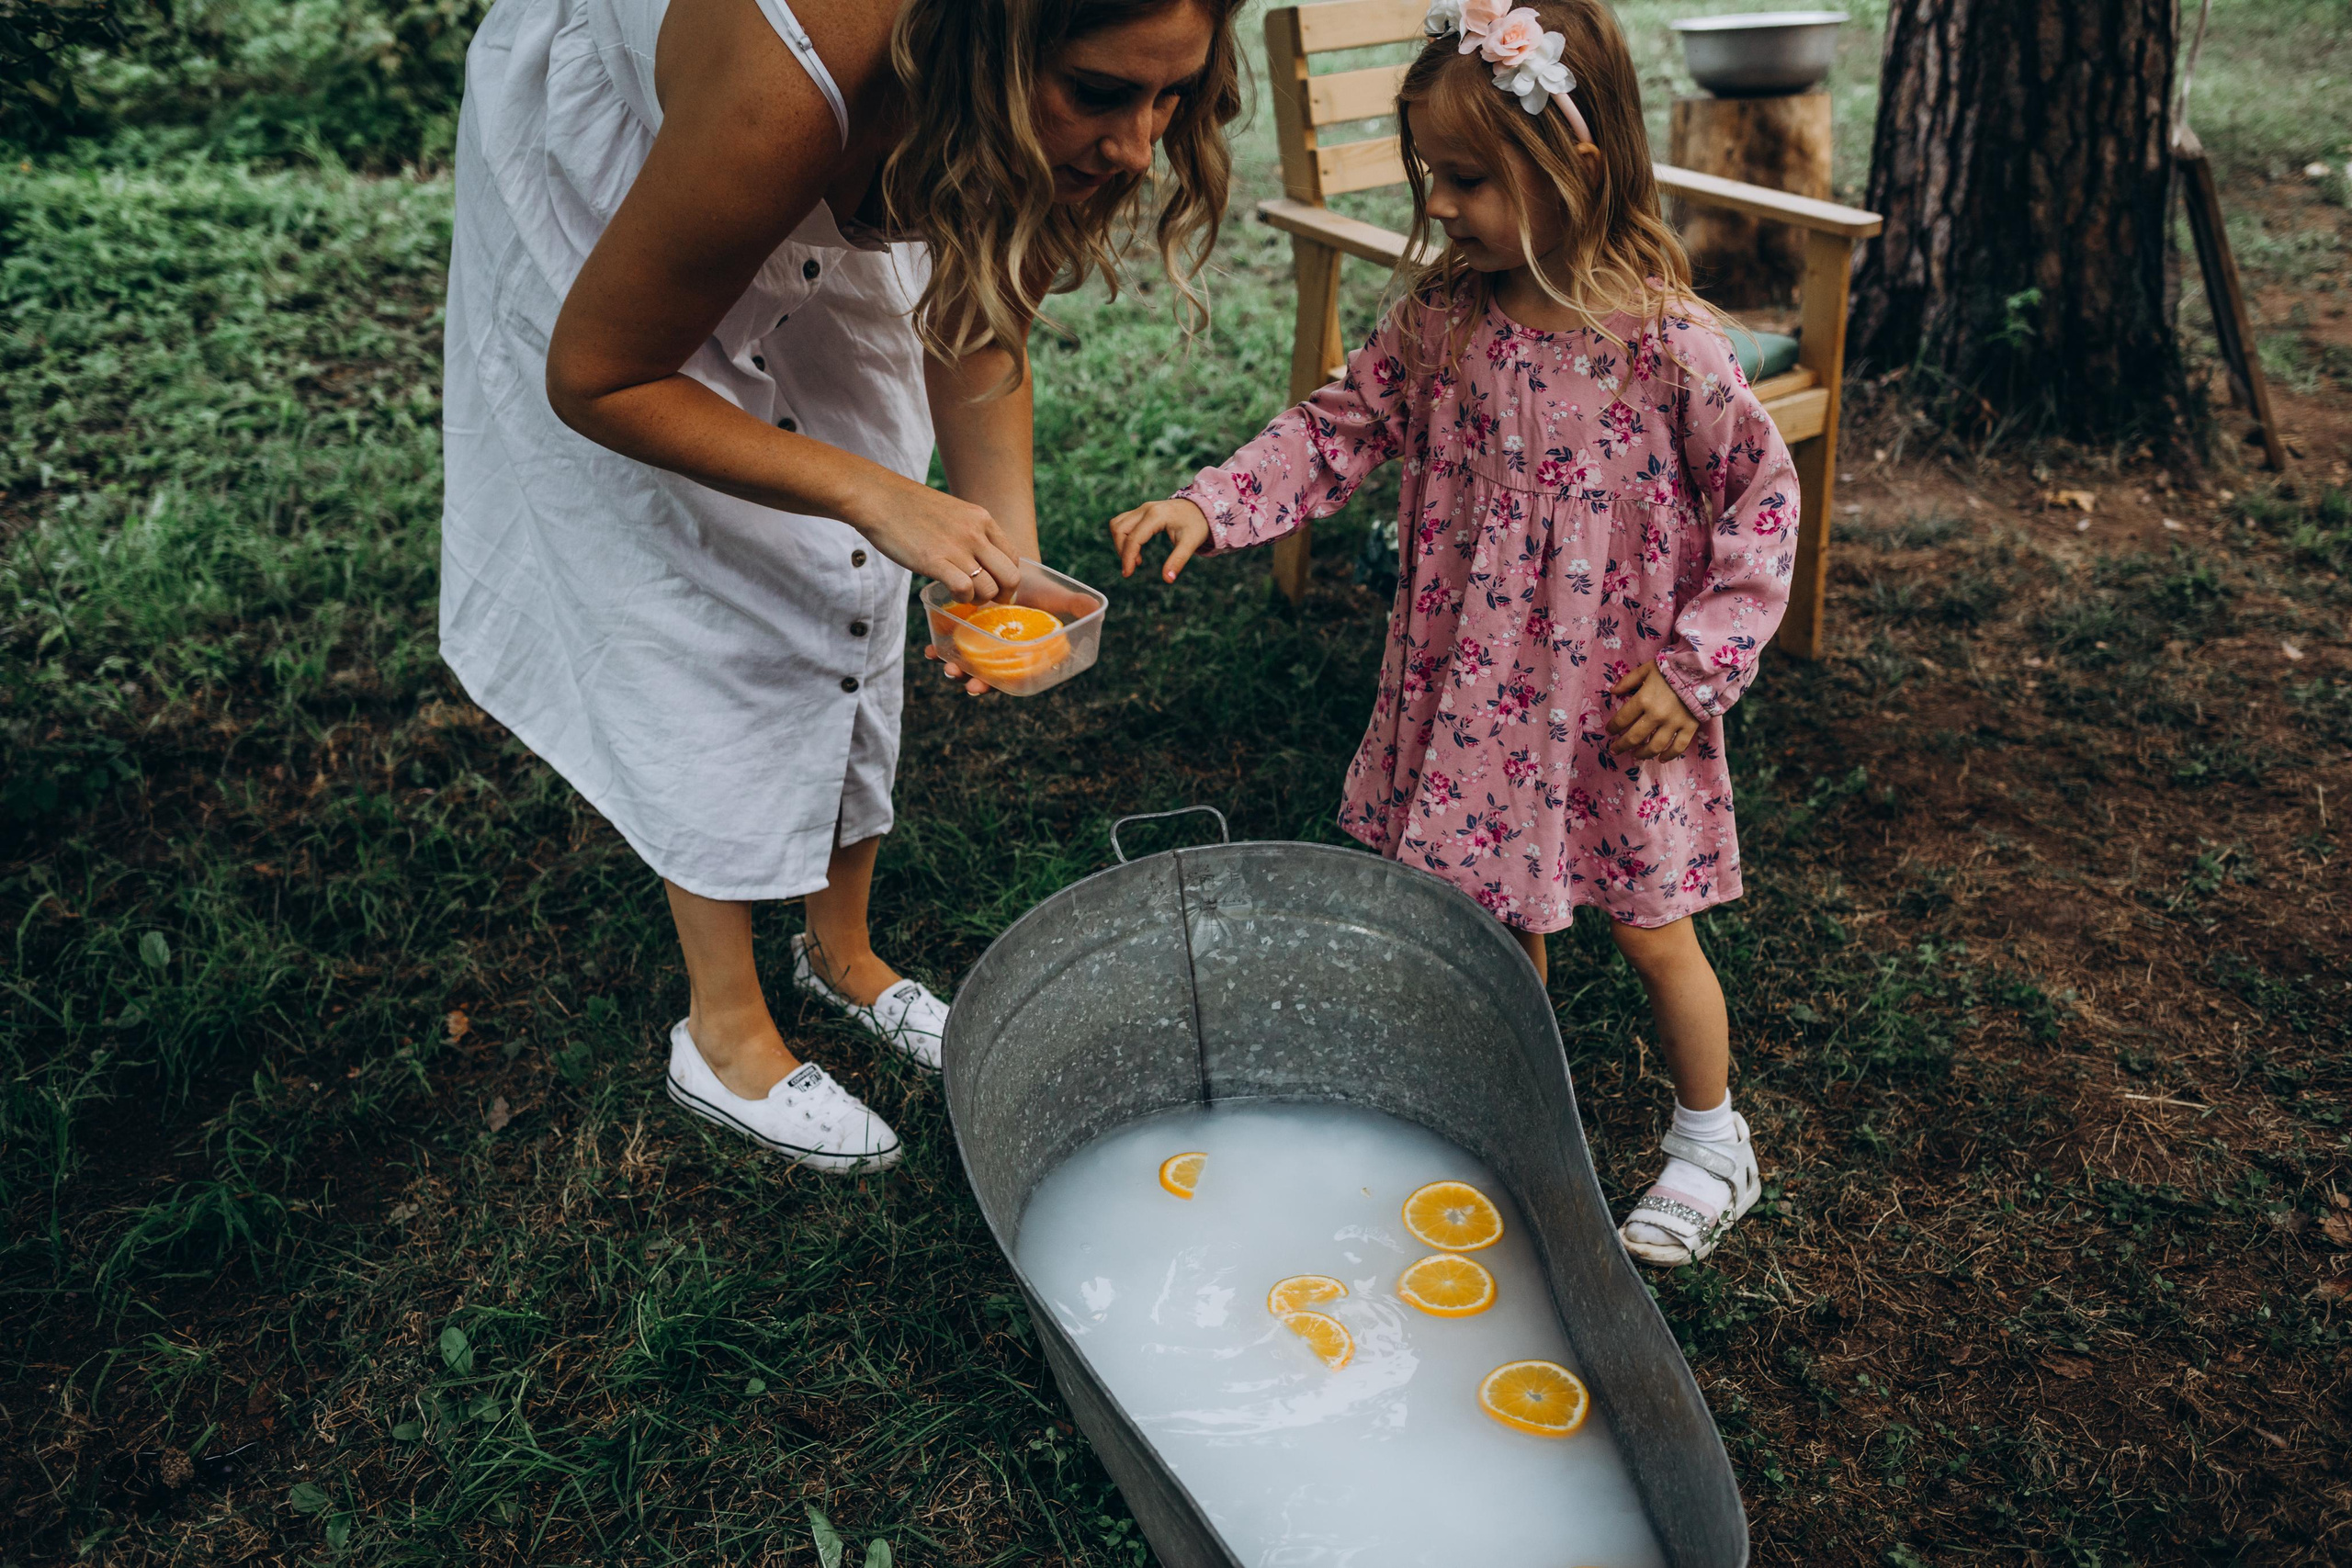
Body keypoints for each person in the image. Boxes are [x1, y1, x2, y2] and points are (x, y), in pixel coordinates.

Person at [441, 0, 1243, 1173]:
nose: (1138, 147)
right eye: (1101, 93)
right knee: (705, 568)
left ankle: (842, 953)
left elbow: (976, 305)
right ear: (994, 38)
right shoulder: (789, 83)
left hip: (873, 113)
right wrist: (874, 497)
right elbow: (601, 378)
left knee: (867, 515)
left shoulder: (970, 103)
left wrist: (1002, 563)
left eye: (1170, 98)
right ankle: (724, 1028)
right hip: (652, 160)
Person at [1109, 0, 1794, 1266]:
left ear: (1574, 168)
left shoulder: (1667, 344)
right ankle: (1513, 1131)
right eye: (1435, 175)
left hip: (1624, 695)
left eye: (1469, 179)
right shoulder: (1444, 320)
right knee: (1492, 924)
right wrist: (1211, 501)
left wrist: (1700, 671)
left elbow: (1763, 502)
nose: (1442, 205)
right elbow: (1340, 426)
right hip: (1479, 689)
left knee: (1654, 926)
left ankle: (1712, 1138)